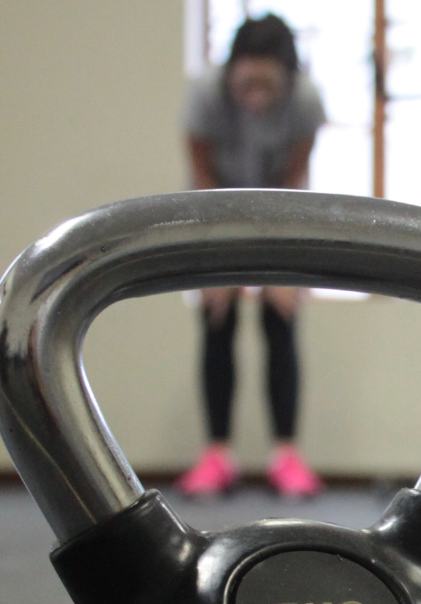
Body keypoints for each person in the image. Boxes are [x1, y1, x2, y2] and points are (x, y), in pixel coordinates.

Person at [177, 14, 327, 499]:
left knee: (280, 316)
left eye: (268, 84)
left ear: (287, 79)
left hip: (279, 208)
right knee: (216, 316)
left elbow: (295, 178)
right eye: (247, 82)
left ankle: (286, 456)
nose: (256, 94)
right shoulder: (204, 96)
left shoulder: (305, 100)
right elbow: (201, 176)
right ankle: (217, 455)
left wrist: (284, 269)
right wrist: (216, 264)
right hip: (213, 207)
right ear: (230, 72)